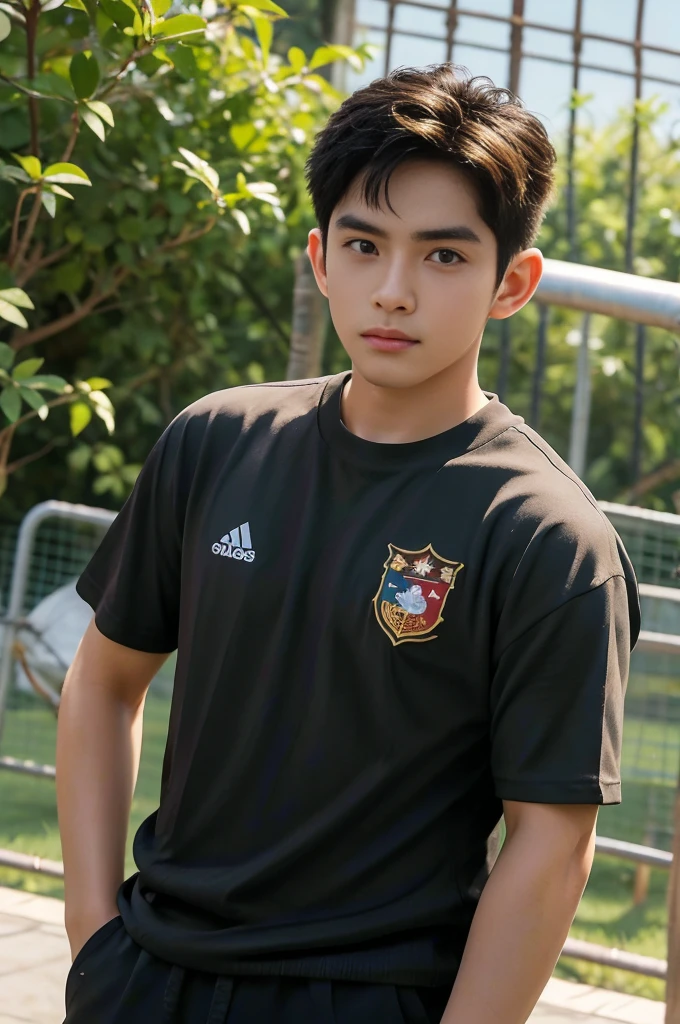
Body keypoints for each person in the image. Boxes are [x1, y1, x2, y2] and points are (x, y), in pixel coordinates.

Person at [56, 63, 640, 1024]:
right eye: (365, 246)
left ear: (513, 283)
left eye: (445, 256)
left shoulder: (549, 538)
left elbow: (552, 842)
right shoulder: (215, 443)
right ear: (322, 258)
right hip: (144, 978)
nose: (395, 291)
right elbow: (105, 679)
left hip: (366, 996)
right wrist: (91, 935)